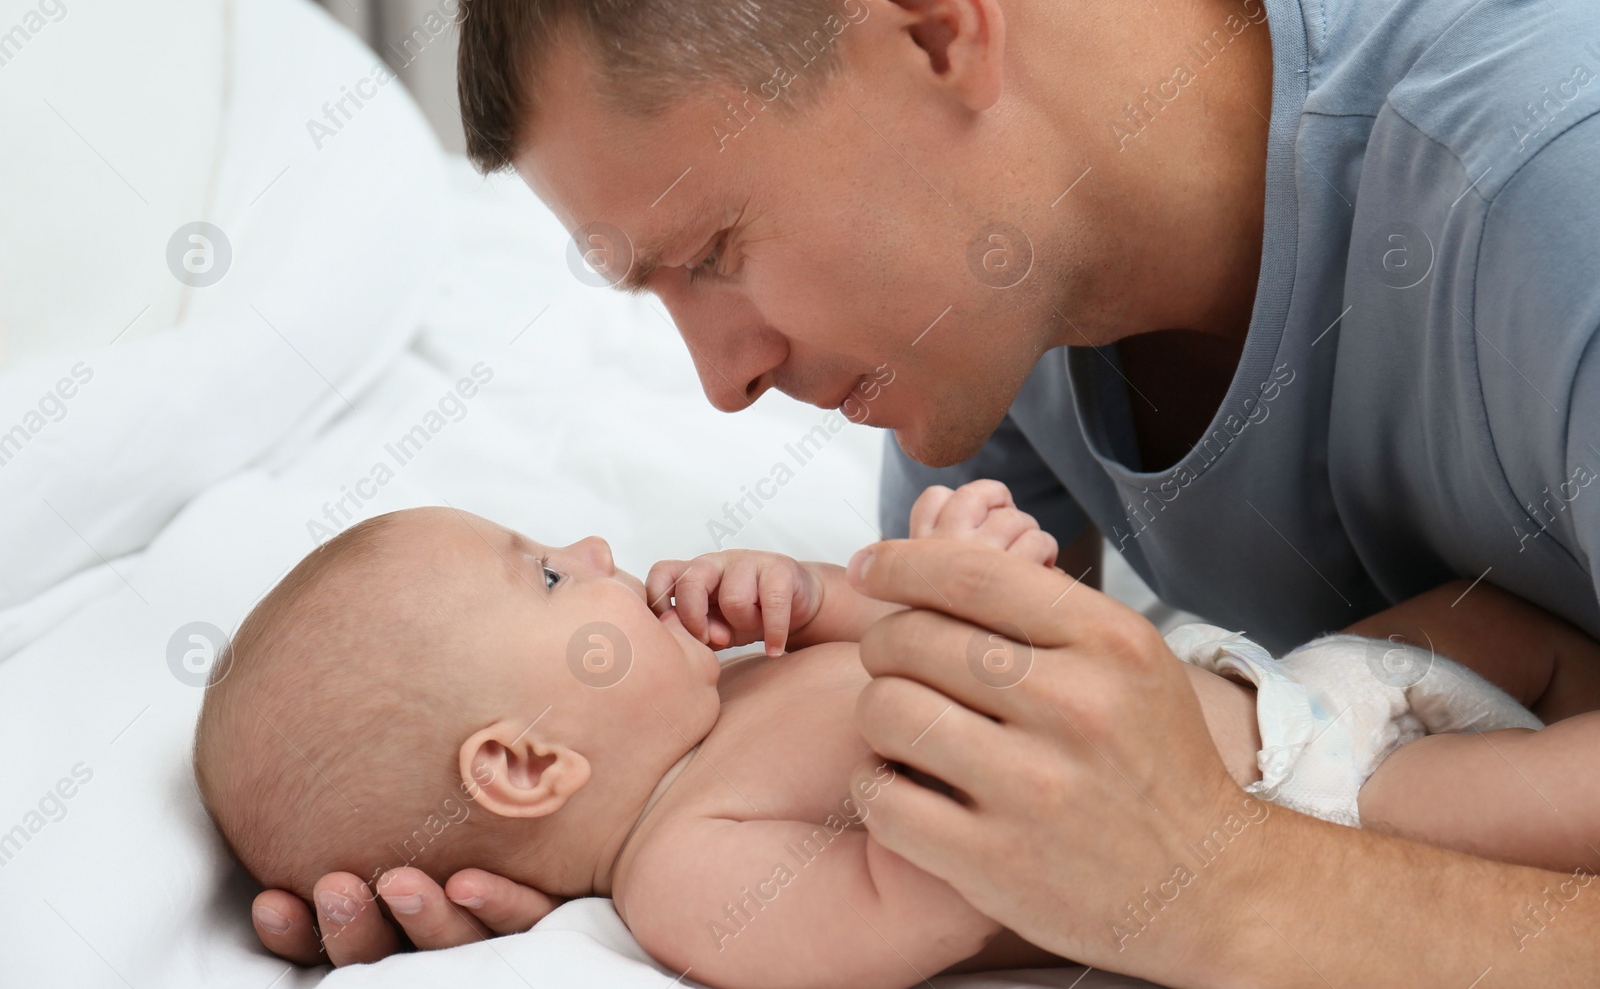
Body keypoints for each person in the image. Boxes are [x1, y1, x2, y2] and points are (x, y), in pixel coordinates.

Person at [254, 0, 1600, 981]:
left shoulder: (1554, 185)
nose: (724, 383)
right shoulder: (993, 311)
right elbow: (981, 682)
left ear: (928, 15)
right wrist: (545, 852)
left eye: (716, 253)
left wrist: (1227, 884)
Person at [215, 495, 1580, 989]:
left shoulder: (733, 686)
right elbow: (928, 892)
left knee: (1533, 615)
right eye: (551, 580)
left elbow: (903, 636)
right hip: (1323, 802)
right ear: (524, 765)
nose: (590, 545)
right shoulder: (689, 877)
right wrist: (947, 669)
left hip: (1277, 681)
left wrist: (831, 597)